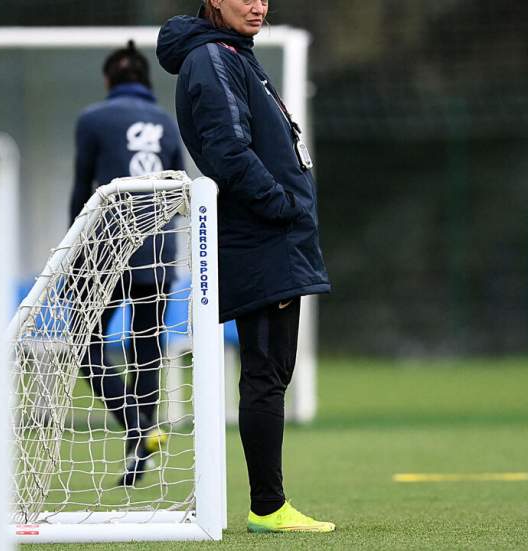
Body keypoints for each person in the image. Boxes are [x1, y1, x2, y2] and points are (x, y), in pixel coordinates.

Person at [157, 0, 335, 533]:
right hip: (261, 241)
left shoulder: (233, 53)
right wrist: (282, 205)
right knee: (264, 374)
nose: (258, 5)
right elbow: (227, 150)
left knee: (272, 372)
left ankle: (269, 504)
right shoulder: (212, 57)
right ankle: (268, 507)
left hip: (275, 241)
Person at [70, 40, 186, 485]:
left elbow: (82, 190)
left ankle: (139, 429)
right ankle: (140, 455)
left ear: (108, 81)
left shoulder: (93, 119)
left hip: (105, 252)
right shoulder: (167, 123)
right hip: (159, 254)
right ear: (146, 82)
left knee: (86, 347)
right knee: (146, 353)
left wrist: (72, 255)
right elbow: (177, 188)